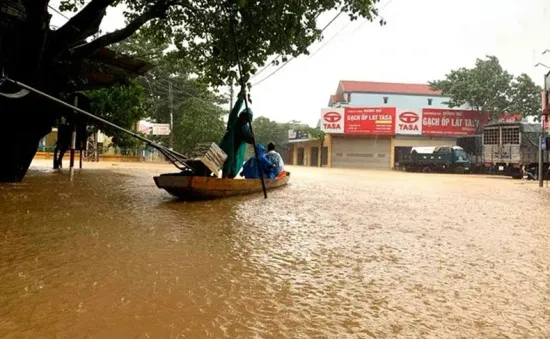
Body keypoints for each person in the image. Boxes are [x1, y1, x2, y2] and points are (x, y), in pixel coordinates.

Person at [219, 89, 254, 178]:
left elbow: (248, 140)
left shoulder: (246, 128)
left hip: (235, 150)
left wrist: (251, 137)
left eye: (248, 120)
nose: (246, 121)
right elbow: (236, 109)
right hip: (227, 146)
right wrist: (241, 98)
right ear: (241, 116)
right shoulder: (234, 120)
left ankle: (228, 182)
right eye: (245, 118)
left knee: (233, 170)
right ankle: (223, 181)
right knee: (226, 164)